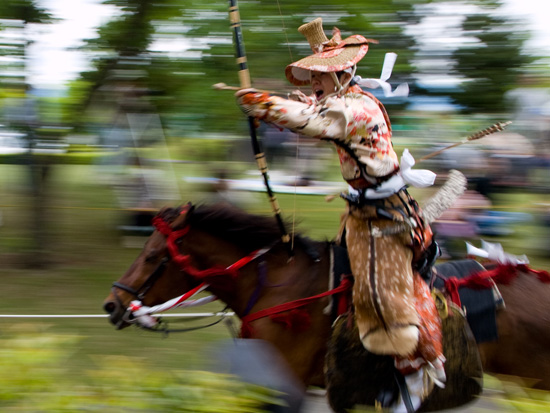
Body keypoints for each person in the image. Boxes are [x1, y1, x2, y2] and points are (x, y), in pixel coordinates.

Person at [236, 18, 444, 410]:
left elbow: (314, 121)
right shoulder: (340, 101)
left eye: (322, 75)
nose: (314, 82)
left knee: (379, 296)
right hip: (362, 214)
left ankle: (413, 373)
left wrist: (260, 103)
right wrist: (282, 103)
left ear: (345, 74)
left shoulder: (358, 109)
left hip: (386, 219)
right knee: (338, 281)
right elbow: (315, 109)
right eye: (313, 75)